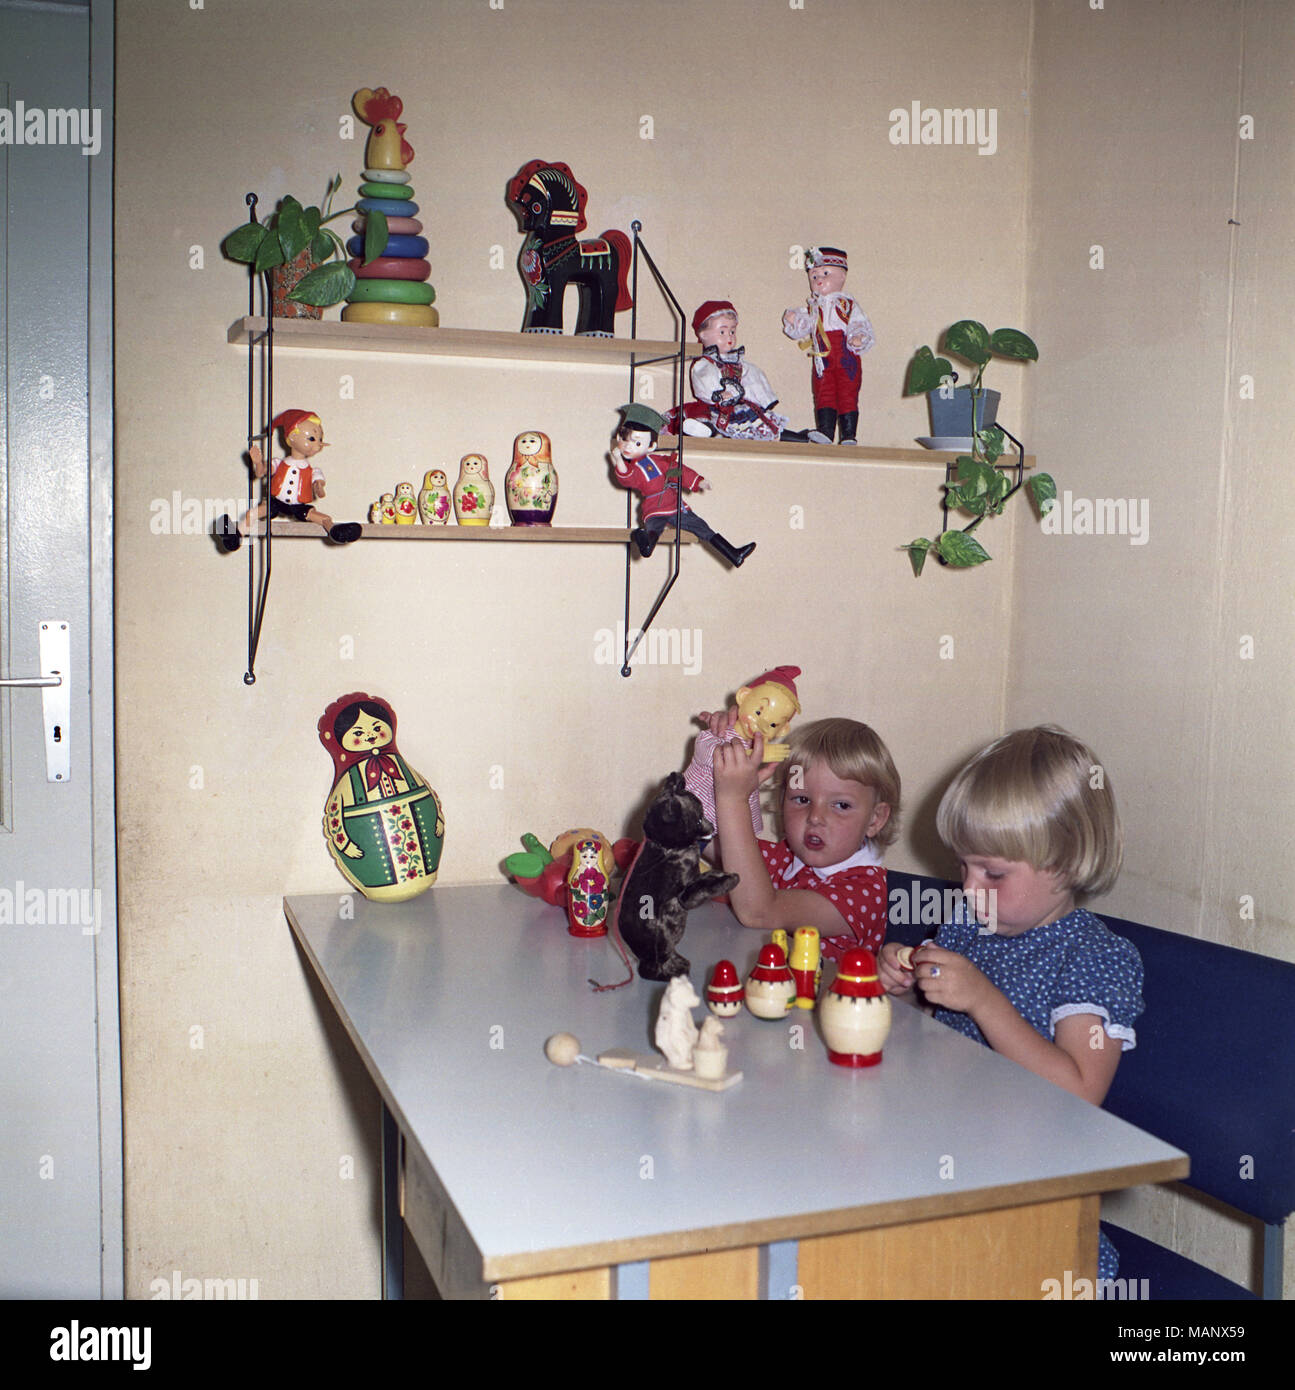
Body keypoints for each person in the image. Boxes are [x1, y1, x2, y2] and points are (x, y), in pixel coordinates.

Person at [877, 725, 1143, 1279]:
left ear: (1068, 863)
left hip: (1029, 1207)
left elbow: (1079, 1090)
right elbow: (935, 1036)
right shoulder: (970, 926)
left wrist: (981, 999)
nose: (970, 888)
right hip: (947, 1162)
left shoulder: (1095, 958)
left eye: (994, 872)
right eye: (964, 867)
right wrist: (901, 995)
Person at [708, 713, 899, 960]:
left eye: (841, 805)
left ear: (875, 819)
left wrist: (733, 798)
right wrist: (718, 749)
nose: (815, 817)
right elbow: (699, 840)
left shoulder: (865, 890)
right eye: (802, 799)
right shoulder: (786, 857)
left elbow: (759, 912)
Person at [609, 402, 755, 567]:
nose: (628, 446)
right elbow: (627, 479)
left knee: (701, 526)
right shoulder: (634, 468)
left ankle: (733, 554)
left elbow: (677, 472)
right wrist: (619, 461)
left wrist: (698, 480)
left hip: (674, 505)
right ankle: (647, 546)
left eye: (636, 443)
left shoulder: (661, 462)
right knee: (653, 529)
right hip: (654, 507)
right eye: (624, 439)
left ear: (652, 446)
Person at [684, 301, 829, 443]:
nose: (729, 336)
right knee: (711, 420)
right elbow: (704, 380)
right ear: (703, 335)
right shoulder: (705, 364)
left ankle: (804, 438)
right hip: (717, 408)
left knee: (765, 426)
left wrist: (759, 397)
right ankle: (705, 430)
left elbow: (754, 379)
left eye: (732, 331)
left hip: (740, 408)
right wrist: (720, 394)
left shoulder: (741, 364)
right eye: (722, 331)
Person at [781, 246, 874, 445]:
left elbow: (859, 323)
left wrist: (858, 337)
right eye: (813, 276)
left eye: (825, 274)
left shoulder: (847, 304)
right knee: (824, 391)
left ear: (842, 276)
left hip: (845, 354)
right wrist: (794, 319)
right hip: (822, 357)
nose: (819, 280)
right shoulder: (813, 307)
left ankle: (848, 434)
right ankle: (826, 431)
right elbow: (803, 327)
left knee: (847, 391)